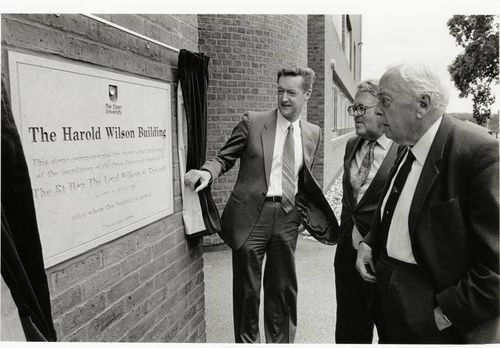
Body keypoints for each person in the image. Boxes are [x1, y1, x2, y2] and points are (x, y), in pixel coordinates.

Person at [185, 66, 337, 343]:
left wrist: (302, 217)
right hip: (250, 217)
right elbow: (225, 157)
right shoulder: (254, 122)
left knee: (282, 290)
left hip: (288, 218)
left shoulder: (312, 132)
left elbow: (304, 179)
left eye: (291, 92)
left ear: (307, 94)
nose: (284, 98)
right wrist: (207, 172)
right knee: (247, 291)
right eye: (280, 91)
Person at [355, 61, 499, 343]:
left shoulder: (479, 153)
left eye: (385, 100)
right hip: (391, 303)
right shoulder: (407, 144)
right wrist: (369, 242)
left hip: (437, 321)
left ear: (422, 103)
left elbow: (496, 267)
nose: (378, 110)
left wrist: (446, 313)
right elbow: (395, 208)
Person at [334, 79, 398, 343]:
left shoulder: (401, 150)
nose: (356, 115)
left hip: (381, 260)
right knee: (349, 331)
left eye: (362, 108)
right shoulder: (352, 145)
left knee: (387, 330)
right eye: (353, 109)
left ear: (381, 109)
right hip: (346, 256)